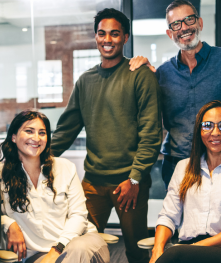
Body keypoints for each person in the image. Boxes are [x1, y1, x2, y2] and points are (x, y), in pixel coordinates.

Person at [50, 8, 162, 263]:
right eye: (102, 33)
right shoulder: (85, 81)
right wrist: (35, 158)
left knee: (135, 249)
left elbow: (151, 133)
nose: (107, 39)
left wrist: (135, 179)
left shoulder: (140, 76)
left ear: (125, 37)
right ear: (96, 37)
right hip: (92, 182)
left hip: (129, 182)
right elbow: (66, 130)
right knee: (78, 242)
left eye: (114, 34)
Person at [128, 0, 221, 189]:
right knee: (179, 218)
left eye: (189, 20)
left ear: (199, 23)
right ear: (170, 33)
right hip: (176, 166)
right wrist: (143, 71)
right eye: (176, 24)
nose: (183, 28)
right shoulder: (162, 73)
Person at [151, 100, 221, 263]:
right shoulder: (184, 167)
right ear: (199, 131)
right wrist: (157, 250)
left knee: (175, 255)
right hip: (186, 250)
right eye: (208, 125)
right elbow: (168, 216)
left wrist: (195, 247)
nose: (216, 132)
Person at [0, 110, 110, 263]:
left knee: (78, 250)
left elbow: (78, 215)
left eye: (42, 133)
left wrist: (56, 250)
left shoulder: (65, 167)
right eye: (29, 131)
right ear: (14, 136)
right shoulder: (0, 174)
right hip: (38, 254)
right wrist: (8, 224)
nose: (36, 138)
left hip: (81, 242)